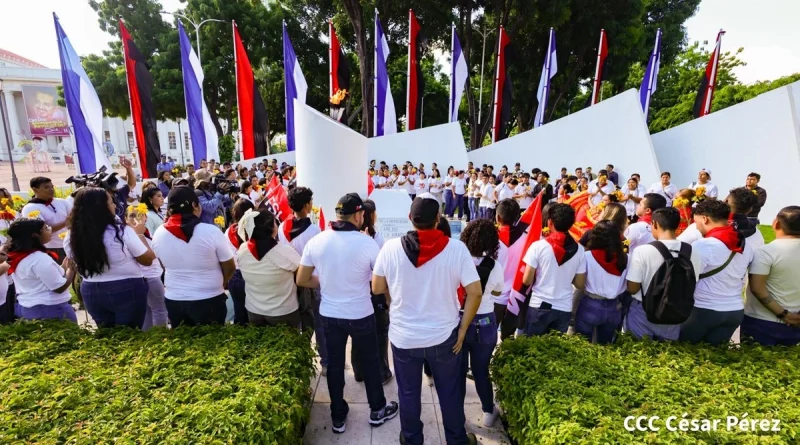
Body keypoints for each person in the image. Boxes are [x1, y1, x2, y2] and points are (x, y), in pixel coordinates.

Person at [372, 194, 481, 445]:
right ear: (438, 219)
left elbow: (377, 287)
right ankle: (456, 439)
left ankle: (412, 439)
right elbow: (475, 292)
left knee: (409, 394)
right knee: (450, 393)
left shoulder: (390, 248)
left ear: (410, 218)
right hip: (445, 338)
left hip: (404, 338)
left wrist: (392, 301)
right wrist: (463, 329)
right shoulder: (457, 249)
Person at [297, 193, 398, 434]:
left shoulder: (317, 241)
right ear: (357, 214)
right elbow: (381, 283)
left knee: (333, 366)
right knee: (371, 361)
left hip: (330, 315)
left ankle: (338, 417)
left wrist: (326, 281)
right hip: (361, 314)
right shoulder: (367, 243)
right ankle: (377, 410)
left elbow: (302, 279)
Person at [64, 188, 154, 328]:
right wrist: (140, 235)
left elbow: (74, 262)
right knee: (130, 335)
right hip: (126, 288)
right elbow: (147, 260)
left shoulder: (72, 235)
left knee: (108, 337)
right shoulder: (122, 231)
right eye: (111, 202)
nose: (115, 206)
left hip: (91, 289)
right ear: (101, 207)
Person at [151, 187, 236, 326]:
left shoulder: (159, 233)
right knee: (212, 343)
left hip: (174, 300)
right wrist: (219, 283)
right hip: (209, 298)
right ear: (194, 206)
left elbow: (163, 265)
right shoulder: (211, 231)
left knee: (184, 345)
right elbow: (230, 267)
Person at [680, 200, 754, 345]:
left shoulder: (704, 245)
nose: (696, 227)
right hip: (734, 311)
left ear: (704, 219)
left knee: (685, 352)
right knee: (714, 356)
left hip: (704, 310)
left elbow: (687, 280)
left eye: (696, 222)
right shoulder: (744, 244)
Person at [625, 208, 702, 341]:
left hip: (644, 310)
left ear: (654, 224)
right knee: (666, 354)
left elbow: (633, 288)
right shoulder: (693, 251)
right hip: (675, 310)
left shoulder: (643, 251)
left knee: (638, 352)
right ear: (677, 225)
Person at [456, 219, 504, 427]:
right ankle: (487, 412)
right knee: (481, 371)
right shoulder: (495, 266)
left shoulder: (457, 260)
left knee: (457, 372)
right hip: (485, 323)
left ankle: (457, 414)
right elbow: (498, 291)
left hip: (459, 321)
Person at [278, 186, 326, 369]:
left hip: (290, 281)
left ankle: (302, 358)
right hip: (311, 282)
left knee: (298, 321)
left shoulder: (282, 227)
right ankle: (326, 361)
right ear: (307, 206)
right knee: (318, 323)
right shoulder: (314, 230)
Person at [521, 203, 585, 335]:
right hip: (564, 307)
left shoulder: (538, 246)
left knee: (532, 350)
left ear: (549, 223)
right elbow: (579, 284)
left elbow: (526, 280)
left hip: (539, 304)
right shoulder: (579, 250)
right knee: (554, 351)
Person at [235, 208, 303, 327]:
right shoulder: (283, 252)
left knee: (261, 344)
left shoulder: (242, 249)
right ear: (272, 228)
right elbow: (303, 274)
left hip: (254, 311)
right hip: (283, 312)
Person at [744, 206, 800, 345]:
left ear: (776, 224)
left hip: (760, 321)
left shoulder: (765, 252)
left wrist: (784, 315)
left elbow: (757, 288)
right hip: (796, 322)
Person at [351, 200, 392, 384]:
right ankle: (382, 372)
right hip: (375, 291)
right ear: (372, 215)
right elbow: (381, 269)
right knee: (380, 333)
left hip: (357, 290)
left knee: (359, 332)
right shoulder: (377, 239)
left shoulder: (352, 237)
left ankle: (359, 371)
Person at [7, 218, 77, 322]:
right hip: (50, 309)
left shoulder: (19, 255)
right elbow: (59, 287)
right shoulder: (39, 258)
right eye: (45, 228)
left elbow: (41, 278)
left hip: (30, 307)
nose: (50, 229)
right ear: (35, 235)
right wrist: (71, 271)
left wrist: (63, 267)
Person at [575, 221, 628, 344]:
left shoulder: (587, 256)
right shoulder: (626, 258)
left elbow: (580, 284)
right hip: (615, 306)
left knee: (581, 346)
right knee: (606, 348)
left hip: (591, 304)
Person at [22, 177, 72, 261]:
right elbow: (42, 231)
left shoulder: (62, 202)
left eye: (52, 187)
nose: (51, 189)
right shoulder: (30, 208)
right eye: (46, 187)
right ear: (35, 190)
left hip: (69, 243)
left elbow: (74, 217)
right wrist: (66, 222)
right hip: (52, 248)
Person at [225, 198, 256, 325]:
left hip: (235, 275)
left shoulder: (228, 231)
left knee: (239, 312)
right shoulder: (254, 230)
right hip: (253, 274)